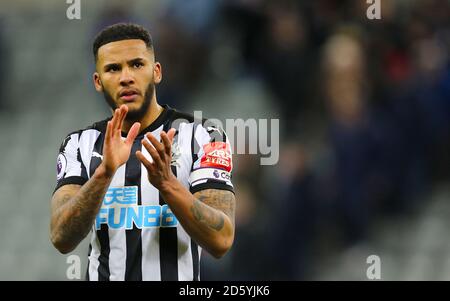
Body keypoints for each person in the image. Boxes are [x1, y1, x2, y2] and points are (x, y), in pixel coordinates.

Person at [50, 23, 236, 281]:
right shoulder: (79, 144)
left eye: (136, 64)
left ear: (156, 71)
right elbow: (61, 237)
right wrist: (104, 173)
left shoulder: (204, 135)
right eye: (113, 68)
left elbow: (222, 239)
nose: (126, 77)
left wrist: (168, 184)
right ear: (98, 81)